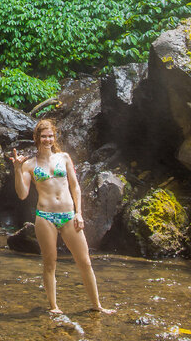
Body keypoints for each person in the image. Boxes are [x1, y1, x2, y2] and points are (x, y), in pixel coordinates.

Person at [10, 118, 114, 315]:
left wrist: (79, 213)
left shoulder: (64, 158)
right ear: (36, 138)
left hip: (68, 215)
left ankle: (96, 305)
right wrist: (17, 170)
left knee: (85, 261)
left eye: (50, 136)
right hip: (45, 216)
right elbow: (22, 194)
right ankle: (54, 307)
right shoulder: (29, 165)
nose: (47, 140)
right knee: (50, 262)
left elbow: (75, 186)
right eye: (43, 136)